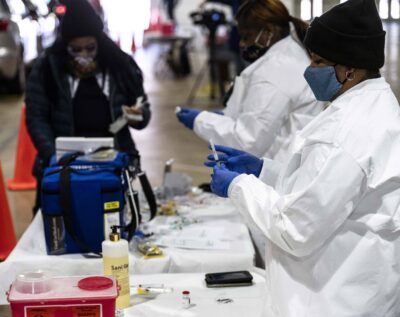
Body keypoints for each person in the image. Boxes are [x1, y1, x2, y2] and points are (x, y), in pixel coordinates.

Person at [206, 0, 400, 316]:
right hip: (354, 288)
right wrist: (263, 170)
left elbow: (296, 229)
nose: (309, 71)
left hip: (337, 300)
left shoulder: (348, 133)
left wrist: (238, 185)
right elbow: (324, 186)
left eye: (319, 62)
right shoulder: (372, 103)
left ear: (349, 68)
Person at [26, 0, 151, 214]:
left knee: (112, 220)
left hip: (112, 162)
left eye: (90, 48)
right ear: (65, 47)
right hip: (63, 165)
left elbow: (144, 112)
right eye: (76, 50)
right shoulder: (47, 69)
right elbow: (36, 117)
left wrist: (138, 116)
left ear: (100, 44)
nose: (84, 55)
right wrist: (53, 156)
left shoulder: (120, 67)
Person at [176, 0, 322, 161]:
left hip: (278, 169)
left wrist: (201, 121)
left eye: (247, 36)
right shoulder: (289, 54)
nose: (242, 43)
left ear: (268, 32)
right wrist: (224, 117)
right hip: (284, 160)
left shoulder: (275, 69)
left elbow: (248, 141)